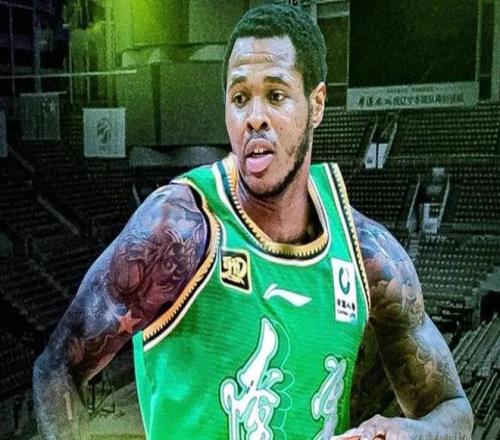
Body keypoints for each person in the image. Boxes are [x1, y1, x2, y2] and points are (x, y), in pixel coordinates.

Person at [33, 4, 473, 439]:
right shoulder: (178, 229)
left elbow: (452, 410)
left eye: (276, 96)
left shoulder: (369, 254)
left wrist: (416, 433)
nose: (254, 118)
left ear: (317, 104)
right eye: (240, 98)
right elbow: (57, 368)